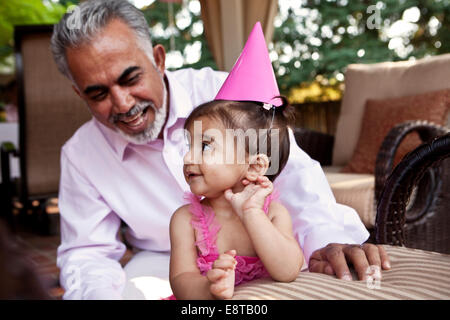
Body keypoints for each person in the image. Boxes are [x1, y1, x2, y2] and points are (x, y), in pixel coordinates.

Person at [50, 0, 389, 300]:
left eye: (130, 78)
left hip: (265, 248)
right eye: (98, 94)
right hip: (162, 262)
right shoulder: (81, 154)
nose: (122, 104)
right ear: (80, 95)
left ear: (158, 59)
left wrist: (327, 239)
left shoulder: (222, 95)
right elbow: (87, 254)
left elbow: (297, 179)